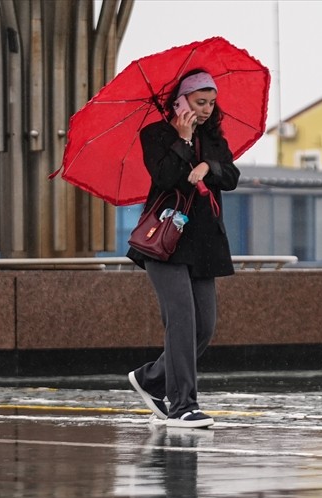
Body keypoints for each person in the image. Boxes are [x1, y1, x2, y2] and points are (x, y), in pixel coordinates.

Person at [126, 68, 240, 430]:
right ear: (181, 100)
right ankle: (182, 405)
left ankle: (151, 378)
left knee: (203, 327)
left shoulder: (214, 137)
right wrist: (183, 139)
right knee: (181, 320)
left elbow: (232, 176)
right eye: (199, 102)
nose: (206, 110)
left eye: (211, 103)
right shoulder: (156, 134)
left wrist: (208, 164)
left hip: (204, 243)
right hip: (165, 241)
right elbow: (164, 177)